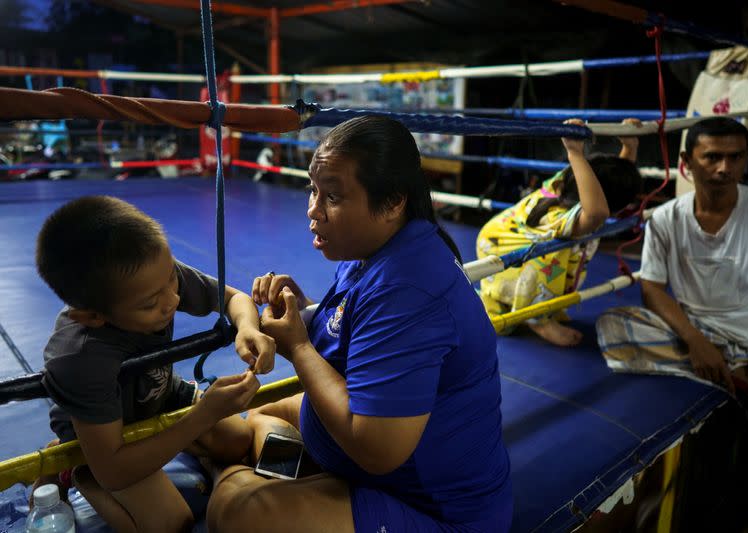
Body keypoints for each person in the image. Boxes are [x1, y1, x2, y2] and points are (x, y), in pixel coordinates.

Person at [206, 115, 513, 532]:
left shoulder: (408, 288)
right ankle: (297, 476)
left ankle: (268, 479)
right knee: (259, 414)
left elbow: (377, 450)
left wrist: (298, 348)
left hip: (431, 509)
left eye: (332, 196)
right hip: (371, 466)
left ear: (392, 202)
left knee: (234, 507)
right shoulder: (379, 247)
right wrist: (304, 310)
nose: (313, 209)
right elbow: (356, 331)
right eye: (313, 190)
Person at [595, 116, 748, 529]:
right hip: (702, 338)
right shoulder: (667, 218)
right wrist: (694, 340)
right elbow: (651, 286)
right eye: (713, 158)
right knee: (614, 326)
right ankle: (740, 377)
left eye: (735, 157)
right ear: (688, 162)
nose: (725, 168)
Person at [35, 195, 275, 533]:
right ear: (92, 316)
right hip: (104, 437)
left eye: (171, 280)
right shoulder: (79, 359)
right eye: (151, 303)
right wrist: (203, 416)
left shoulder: (153, 277)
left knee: (237, 440)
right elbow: (115, 469)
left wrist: (248, 329)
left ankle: (171, 445)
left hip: (157, 393)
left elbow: (235, 298)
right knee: (169, 523)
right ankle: (75, 470)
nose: (173, 300)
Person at [476, 118, 643, 346]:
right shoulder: (567, 217)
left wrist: (629, 147)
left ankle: (523, 301)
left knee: (557, 253)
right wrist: (575, 152)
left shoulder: (568, 183)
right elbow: (599, 210)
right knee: (550, 258)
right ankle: (537, 319)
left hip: (499, 236)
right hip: (499, 248)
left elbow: (610, 186)